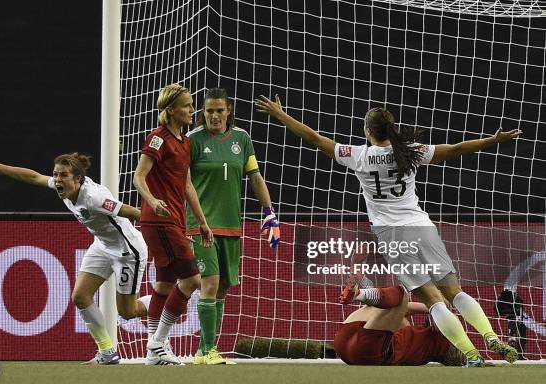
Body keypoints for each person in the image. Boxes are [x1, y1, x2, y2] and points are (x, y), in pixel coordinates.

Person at [255, 96, 521, 367]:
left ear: (367, 131)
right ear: (392, 128)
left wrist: (281, 115)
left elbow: (313, 137)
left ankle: (472, 355)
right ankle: (489, 336)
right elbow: (455, 149)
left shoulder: (358, 156)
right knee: (454, 291)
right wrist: (492, 140)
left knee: (433, 302)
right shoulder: (409, 151)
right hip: (422, 226)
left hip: (393, 235)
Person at [0, 149, 149, 365]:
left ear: (77, 179)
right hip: (102, 245)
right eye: (55, 174)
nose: (57, 180)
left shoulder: (94, 198)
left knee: (128, 312)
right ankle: (107, 352)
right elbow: (34, 177)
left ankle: (167, 299)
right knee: (80, 297)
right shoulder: (62, 188)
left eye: (63, 175)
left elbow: (132, 212)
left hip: (127, 250)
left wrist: (164, 218)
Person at [186, 88, 280, 365]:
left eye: (219, 110)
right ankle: (205, 351)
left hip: (231, 225)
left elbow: (255, 176)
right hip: (201, 226)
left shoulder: (242, 138)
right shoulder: (192, 140)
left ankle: (207, 349)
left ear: (229, 111)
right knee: (210, 283)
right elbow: (182, 183)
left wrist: (269, 212)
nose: (214, 116)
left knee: (224, 286)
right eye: (209, 111)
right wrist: (195, 220)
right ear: (203, 113)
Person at [133, 83, 214, 365]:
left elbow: (188, 185)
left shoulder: (185, 142)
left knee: (165, 285)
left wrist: (202, 222)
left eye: (192, 105)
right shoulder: (157, 138)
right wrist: (152, 200)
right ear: (170, 111)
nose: (193, 110)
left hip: (175, 221)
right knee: (192, 280)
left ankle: (153, 351)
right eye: (187, 105)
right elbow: (139, 177)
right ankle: (157, 343)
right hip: (159, 221)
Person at [335, 285, 466, 366]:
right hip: (348, 347)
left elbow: (444, 307)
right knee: (379, 305)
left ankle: (359, 294)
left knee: (402, 294)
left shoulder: (445, 340)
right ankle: (360, 293)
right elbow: (403, 310)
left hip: (367, 350)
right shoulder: (422, 347)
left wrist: (437, 303)